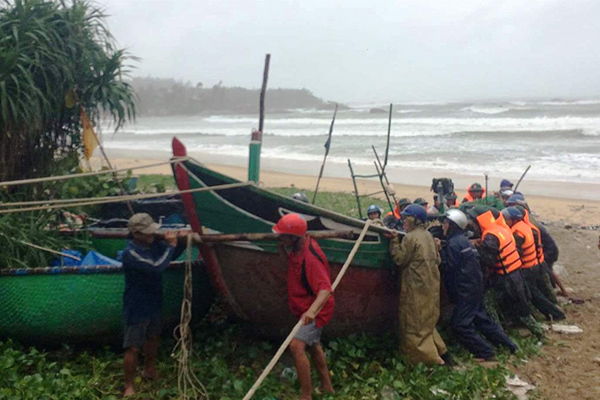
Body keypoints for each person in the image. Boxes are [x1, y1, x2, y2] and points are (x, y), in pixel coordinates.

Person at [441, 209, 517, 360]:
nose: (443, 226)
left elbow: (449, 268)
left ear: (452, 226)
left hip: (466, 290)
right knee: (481, 319)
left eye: (445, 223)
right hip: (475, 287)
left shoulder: (453, 244)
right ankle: (510, 346)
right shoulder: (464, 241)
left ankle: (486, 352)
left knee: (460, 325)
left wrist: (439, 253)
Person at [274, 213, 335, 400]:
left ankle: (306, 396)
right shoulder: (297, 248)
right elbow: (292, 266)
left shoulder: (310, 257)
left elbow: (325, 290)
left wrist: (311, 312)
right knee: (314, 345)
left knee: (296, 346)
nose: (280, 238)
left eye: (283, 235)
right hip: (305, 306)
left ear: (294, 237)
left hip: (316, 308)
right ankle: (327, 387)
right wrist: (282, 249)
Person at [388, 204, 452, 366]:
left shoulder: (410, 238)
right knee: (427, 323)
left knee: (414, 325)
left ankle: (432, 361)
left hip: (416, 288)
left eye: (406, 219)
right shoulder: (429, 236)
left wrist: (394, 241)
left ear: (415, 220)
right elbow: (437, 260)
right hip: (431, 287)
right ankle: (444, 353)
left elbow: (400, 259)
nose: (404, 222)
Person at [122, 213, 178, 397]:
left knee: (153, 337)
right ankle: (128, 385)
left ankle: (149, 370)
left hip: (154, 300)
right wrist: (171, 246)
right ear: (136, 234)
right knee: (133, 347)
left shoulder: (152, 244)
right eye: (147, 233)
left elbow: (171, 253)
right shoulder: (131, 253)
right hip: (137, 304)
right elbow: (156, 267)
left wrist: (179, 241)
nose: (151, 235)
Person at [467, 206, 543, 339]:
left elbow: (489, 259)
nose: (472, 224)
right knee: (521, 308)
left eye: (474, 221)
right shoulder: (499, 229)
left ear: (480, 221)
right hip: (515, 274)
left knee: (488, 302)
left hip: (506, 279)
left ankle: (499, 333)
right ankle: (539, 332)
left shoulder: (490, 236)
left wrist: (473, 248)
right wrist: (480, 244)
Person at [502, 207, 565, 321]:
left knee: (533, 294)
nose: (504, 221)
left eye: (506, 219)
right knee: (533, 293)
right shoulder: (525, 227)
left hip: (526, 268)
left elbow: (516, 252)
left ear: (514, 219)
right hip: (533, 265)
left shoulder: (517, 233)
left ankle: (555, 313)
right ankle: (549, 312)